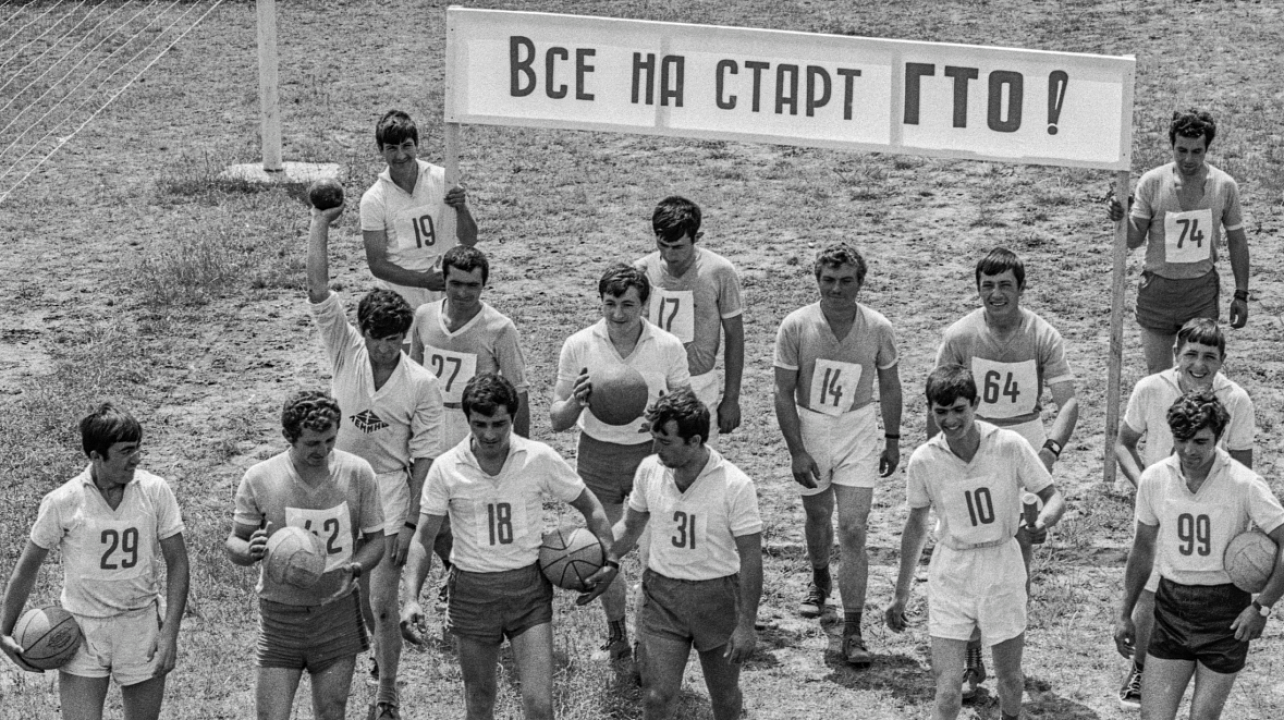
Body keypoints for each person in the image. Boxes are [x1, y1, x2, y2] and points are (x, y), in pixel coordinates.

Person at [400, 374, 616, 720]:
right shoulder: (446, 467)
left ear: (513, 418)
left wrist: (611, 559)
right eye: (480, 424)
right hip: (472, 593)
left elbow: (590, 505)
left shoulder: (538, 457)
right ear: (468, 420)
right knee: (480, 702)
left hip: (527, 592)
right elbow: (424, 540)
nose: (489, 434)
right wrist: (411, 598)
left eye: (498, 424)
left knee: (540, 706)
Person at [307, 203, 446, 719]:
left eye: (396, 340)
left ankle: (388, 690)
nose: (388, 349)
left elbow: (425, 458)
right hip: (335, 482)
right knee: (336, 594)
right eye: (379, 339)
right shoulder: (345, 350)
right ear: (362, 333)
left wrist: (411, 524)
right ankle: (354, 661)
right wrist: (320, 221)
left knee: (382, 601)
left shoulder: (422, 384)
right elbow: (318, 289)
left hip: (387, 489)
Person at [932, 247, 1078, 699]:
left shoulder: (1042, 334)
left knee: (1018, 551)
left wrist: (1049, 451)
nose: (996, 295)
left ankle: (1008, 654)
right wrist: (938, 458)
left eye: (1005, 286)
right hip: (971, 444)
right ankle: (971, 655)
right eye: (988, 286)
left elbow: (1068, 402)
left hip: (1023, 441)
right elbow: (938, 398)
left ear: (1021, 289)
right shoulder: (960, 335)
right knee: (970, 547)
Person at [885, 365, 1066, 720]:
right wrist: (900, 593)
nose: (951, 420)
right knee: (947, 689)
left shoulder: (1009, 445)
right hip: (952, 571)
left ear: (976, 404)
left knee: (1010, 680)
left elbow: (1053, 496)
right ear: (930, 410)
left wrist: (1042, 522)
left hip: (1002, 566)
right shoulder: (924, 460)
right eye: (941, 412)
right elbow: (916, 525)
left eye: (959, 410)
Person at [0, 403, 189, 720]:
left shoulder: (155, 490)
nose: (136, 458)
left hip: (140, 624)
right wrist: (4, 631)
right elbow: (27, 569)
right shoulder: (63, 500)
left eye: (137, 448)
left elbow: (178, 562)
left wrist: (170, 632)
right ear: (96, 456)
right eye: (126, 451)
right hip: (82, 630)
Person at [583, 389, 762, 720]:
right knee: (657, 696)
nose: (656, 449)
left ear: (694, 441)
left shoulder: (736, 485)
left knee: (724, 697)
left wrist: (746, 624)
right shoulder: (650, 470)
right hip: (662, 596)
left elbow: (751, 558)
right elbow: (630, 526)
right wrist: (607, 559)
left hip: (716, 598)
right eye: (654, 439)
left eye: (665, 442)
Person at [1114, 390, 1284, 720]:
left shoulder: (1244, 483)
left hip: (1225, 612)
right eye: (1181, 440)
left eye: (1200, 441)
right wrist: (1125, 613)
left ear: (1218, 438)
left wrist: (1262, 607)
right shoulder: (1155, 479)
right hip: (1172, 606)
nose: (1189, 450)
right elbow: (1143, 548)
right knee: (1153, 717)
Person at [1113, 322, 1256, 709]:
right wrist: (1147, 486)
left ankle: (1204, 669)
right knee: (1151, 588)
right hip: (1164, 506)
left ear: (1222, 360)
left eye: (1209, 356)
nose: (1199, 364)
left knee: (1201, 590)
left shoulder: (1236, 399)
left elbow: (1244, 466)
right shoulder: (1150, 388)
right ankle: (1141, 668)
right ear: (1176, 354)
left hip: (1210, 510)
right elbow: (1124, 444)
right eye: (1191, 354)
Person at [551, 263, 690, 660]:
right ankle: (617, 633)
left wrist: (663, 419)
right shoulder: (579, 344)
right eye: (609, 304)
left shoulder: (667, 346)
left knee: (654, 551)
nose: (617, 314)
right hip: (598, 453)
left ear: (645, 304)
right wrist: (577, 403)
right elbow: (557, 420)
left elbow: (689, 411)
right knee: (603, 546)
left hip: (652, 455)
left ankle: (650, 636)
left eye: (628, 305)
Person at [773, 242, 902, 666]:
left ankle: (853, 630)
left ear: (860, 283)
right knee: (817, 516)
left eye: (846, 281)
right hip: (812, 427)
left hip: (857, 429)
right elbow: (782, 391)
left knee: (853, 529)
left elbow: (890, 384)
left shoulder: (877, 327)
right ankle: (819, 578)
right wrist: (797, 450)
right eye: (828, 280)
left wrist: (893, 439)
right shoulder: (796, 326)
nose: (836, 289)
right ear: (817, 281)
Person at [227, 390, 387, 720]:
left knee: (331, 712)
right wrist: (249, 551)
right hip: (280, 617)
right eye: (312, 443)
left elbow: (376, 540)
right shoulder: (260, 478)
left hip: (337, 614)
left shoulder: (357, 473)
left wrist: (357, 567)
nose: (323, 450)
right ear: (288, 437)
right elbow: (235, 543)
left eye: (330, 440)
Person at [1107, 109, 1250, 374]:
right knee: (1159, 376)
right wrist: (1122, 217)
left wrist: (1241, 294)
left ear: (1207, 149)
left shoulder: (1224, 185)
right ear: (1172, 146)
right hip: (1157, 292)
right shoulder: (1152, 182)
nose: (1188, 159)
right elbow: (1134, 239)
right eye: (1181, 150)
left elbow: (1237, 240)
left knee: (1199, 374)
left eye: (1197, 151)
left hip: (1200, 294)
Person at [633, 196, 744, 446]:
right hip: (653, 381)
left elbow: (735, 335)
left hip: (699, 383)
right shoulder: (641, 271)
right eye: (663, 245)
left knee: (700, 458)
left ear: (697, 237)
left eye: (678, 247)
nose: (669, 254)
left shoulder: (719, 271)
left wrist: (731, 398)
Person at [411, 245, 530, 448]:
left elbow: (518, 391)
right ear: (443, 280)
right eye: (455, 284)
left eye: (472, 285)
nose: (462, 293)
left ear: (483, 285)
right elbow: (413, 374)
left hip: (473, 427)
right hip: (428, 421)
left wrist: (522, 449)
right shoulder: (424, 316)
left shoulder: (500, 328)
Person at [360, 109, 479, 313]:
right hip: (399, 299)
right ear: (381, 150)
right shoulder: (374, 199)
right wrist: (422, 280)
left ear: (416, 145)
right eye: (392, 148)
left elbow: (470, 239)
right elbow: (377, 264)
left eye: (406, 146)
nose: (400, 155)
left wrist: (461, 208)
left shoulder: (442, 179)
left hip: (442, 294)